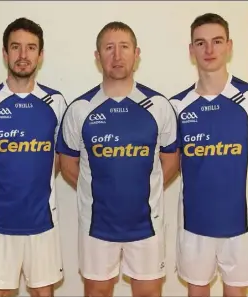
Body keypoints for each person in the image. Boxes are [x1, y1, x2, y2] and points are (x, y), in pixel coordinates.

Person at [56, 21, 180, 297]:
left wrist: (142, 190)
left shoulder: (158, 106)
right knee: (97, 291)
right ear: (97, 56)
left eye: (124, 47)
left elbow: (171, 160)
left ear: (136, 54)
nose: (117, 55)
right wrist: (99, 190)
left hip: (147, 221)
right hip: (97, 222)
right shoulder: (80, 109)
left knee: (148, 292)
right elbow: (67, 164)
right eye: (109, 48)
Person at [0, 17, 66, 297]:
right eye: (16, 47)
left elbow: (59, 154)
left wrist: (37, 182)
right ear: (5, 53)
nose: (23, 55)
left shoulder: (56, 103)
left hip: (43, 221)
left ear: (40, 55)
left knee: (44, 292)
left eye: (31, 48)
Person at [170, 13, 248, 297]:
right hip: (195, 221)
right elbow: (168, 165)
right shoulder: (177, 106)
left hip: (241, 221)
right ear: (191, 50)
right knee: (197, 289)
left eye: (217, 42)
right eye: (201, 43)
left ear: (229, 46)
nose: (209, 50)